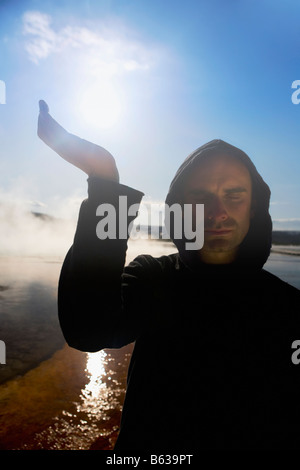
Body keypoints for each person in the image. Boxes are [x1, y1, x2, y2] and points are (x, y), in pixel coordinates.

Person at [38, 100, 300, 450]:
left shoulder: (290, 307)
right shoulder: (153, 278)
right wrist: (105, 181)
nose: (218, 212)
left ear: (254, 206)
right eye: (201, 197)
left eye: (233, 196)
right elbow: (88, 329)